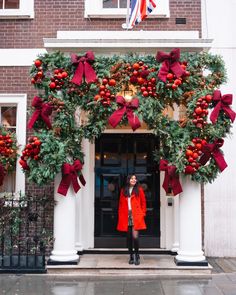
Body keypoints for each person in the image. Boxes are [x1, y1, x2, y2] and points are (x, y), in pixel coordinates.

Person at [117, 174, 147, 265]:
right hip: (126, 215)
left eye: (135, 179)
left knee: (135, 237)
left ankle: (137, 255)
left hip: (136, 215)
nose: (134, 180)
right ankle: (130, 256)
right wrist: (120, 214)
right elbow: (121, 203)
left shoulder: (139, 190)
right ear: (128, 180)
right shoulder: (123, 190)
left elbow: (143, 202)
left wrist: (142, 213)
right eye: (132, 178)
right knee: (129, 237)